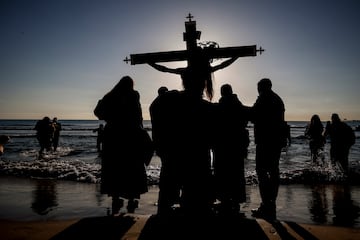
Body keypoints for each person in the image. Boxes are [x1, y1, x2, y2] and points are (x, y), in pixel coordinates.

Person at [94, 76, 154, 215]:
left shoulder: (109, 96)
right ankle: (132, 199)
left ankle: (115, 198)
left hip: (112, 135)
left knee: (114, 166)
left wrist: (110, 118)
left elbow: (97, 112)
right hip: (130, 134)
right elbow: (138, 115)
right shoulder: (133, 94)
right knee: (132, 166)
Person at [250, 78, 286, 221]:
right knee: (273, 170)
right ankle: (271, 202)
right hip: (276, 141)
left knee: (261, 171)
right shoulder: (278, 99)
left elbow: (253, 115)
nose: (258, 91)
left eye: (258, 88)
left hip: (265, 140)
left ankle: (266, 204)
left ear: (262, 87)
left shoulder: (264, 99)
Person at [213, 83, 250, 215]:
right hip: (237, 146)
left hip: (222, 145)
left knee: (222, 173)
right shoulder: (239, 106)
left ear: (222, 93)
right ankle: (235, 200)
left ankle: (225, 200)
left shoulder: (219, 107)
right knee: (236, 173)